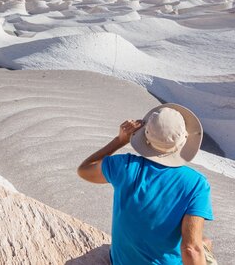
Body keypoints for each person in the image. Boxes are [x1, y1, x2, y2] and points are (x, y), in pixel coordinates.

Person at [77, 103, 216, 265]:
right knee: (203, 243)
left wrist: (119, 141)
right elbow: (190, 249)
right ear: (183, 140)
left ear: (145, 135)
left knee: (205, 241)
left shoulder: (124, 165)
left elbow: (84, 170)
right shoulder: (196, 184)